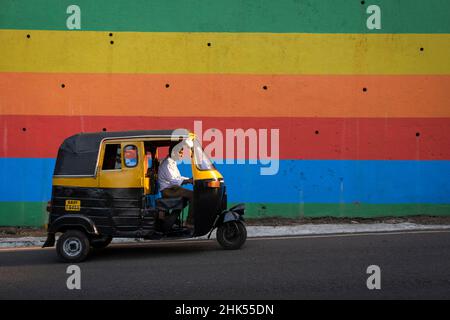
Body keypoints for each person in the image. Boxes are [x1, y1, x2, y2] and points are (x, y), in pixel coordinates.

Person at [158, 144, 194, 228]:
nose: (182, 155)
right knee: (193, 195)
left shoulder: (172, 162)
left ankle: (172, 221)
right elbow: (174, 181)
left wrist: (189, 179)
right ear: (174, 152)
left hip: (173, 189)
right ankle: (189, 222)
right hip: (169, 191)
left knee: (187, 198)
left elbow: (177, 177)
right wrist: (189, 181)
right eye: (180, 153)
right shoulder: (167, 164)